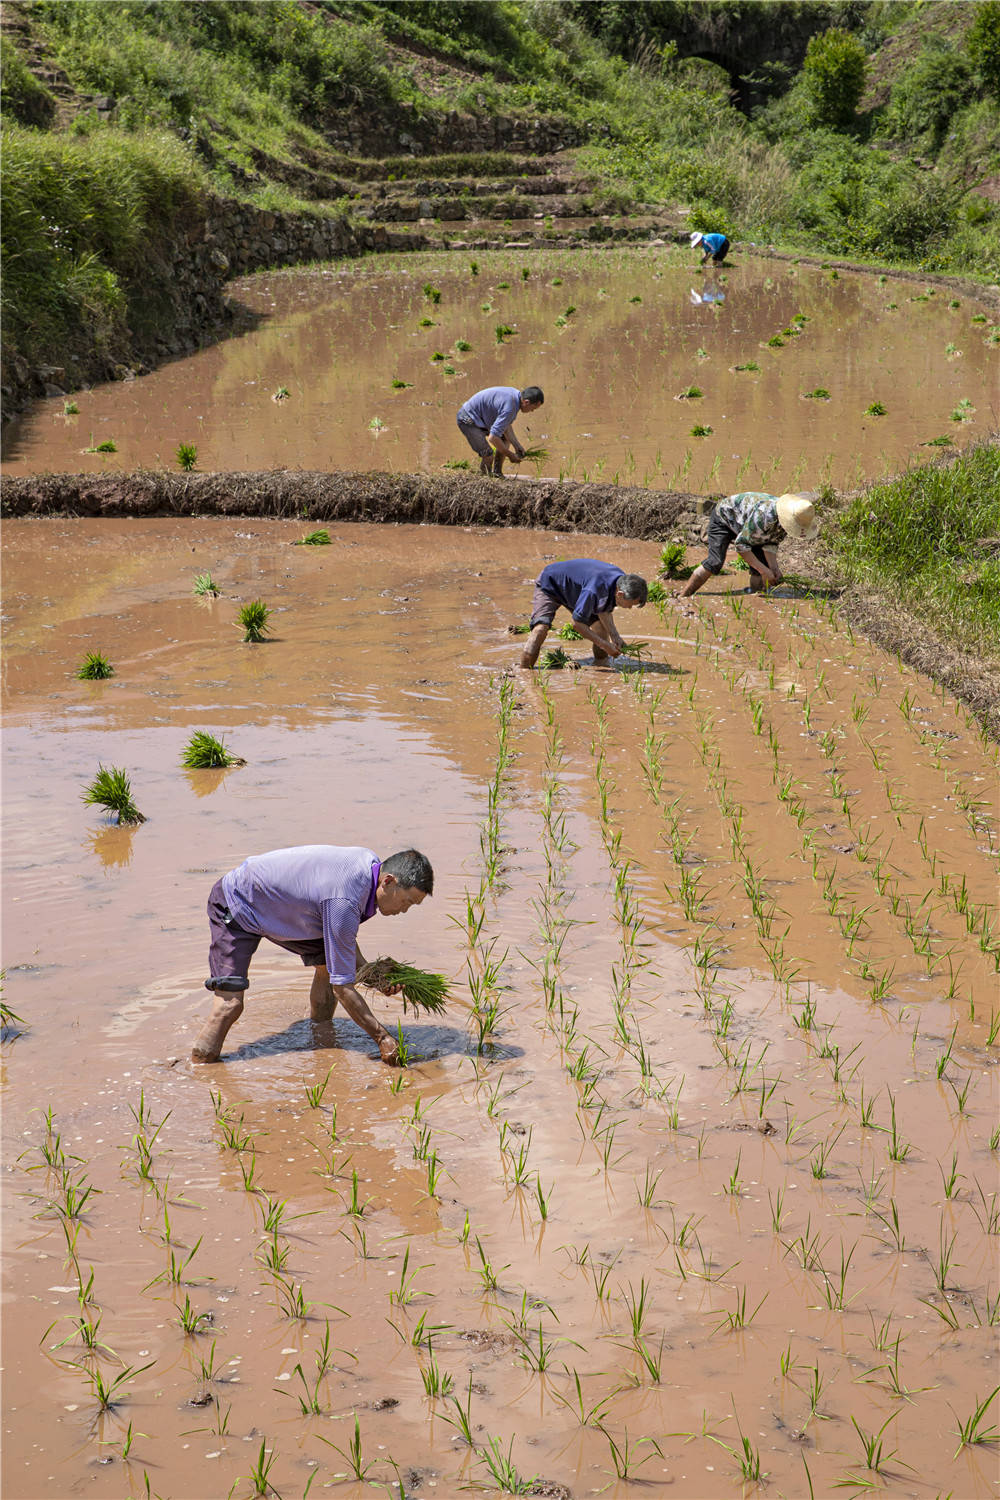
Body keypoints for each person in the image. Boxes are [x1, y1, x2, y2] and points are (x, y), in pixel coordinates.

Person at [191, 845, 433, 1065]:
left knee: (329, 968)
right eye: (406, 901)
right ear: (388, 881)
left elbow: (342, 948)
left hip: (290, 910)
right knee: (229, 1004)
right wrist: (383, 1038)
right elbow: (343, 987)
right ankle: (200, 1066)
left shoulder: (369, 866)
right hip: (238, 902)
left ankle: (321, 1035)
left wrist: (374, 975)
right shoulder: (344, 900)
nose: (404, 910)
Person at [681, 492, 820, 599]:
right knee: (715, 562)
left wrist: (773, 567)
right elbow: (741, 545)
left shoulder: (784, 523)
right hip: (724, 518)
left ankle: (756, 597)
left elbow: (770, 543)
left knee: (760, 566)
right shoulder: (764, 517)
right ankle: (683, 595)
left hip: (747, 524)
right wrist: (765, 570)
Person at [520, 559, 648, 669]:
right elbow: (577, 625)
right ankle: (525, 673)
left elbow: (604, 610)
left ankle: (601, 666)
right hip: (551, 584)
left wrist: (615, 637)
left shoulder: (621, 582)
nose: (630, 608)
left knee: (601, 630)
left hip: (575, 591)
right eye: (631, 604)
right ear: (620, 594)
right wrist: (604, 645)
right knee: (540, 629)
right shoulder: (594, 590)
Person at [456, 385, 544, 476]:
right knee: (488, 455)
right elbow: (493, 438)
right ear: (526, 402)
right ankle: (486, 479)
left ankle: (497, 473)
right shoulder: (510, 407)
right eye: (533, 408)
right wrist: (510, 455)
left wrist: (517, 445)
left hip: (481, 419)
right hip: (468, 419)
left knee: (504, 439)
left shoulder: (516, 396)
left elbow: (505, 426)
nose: (532, 411)